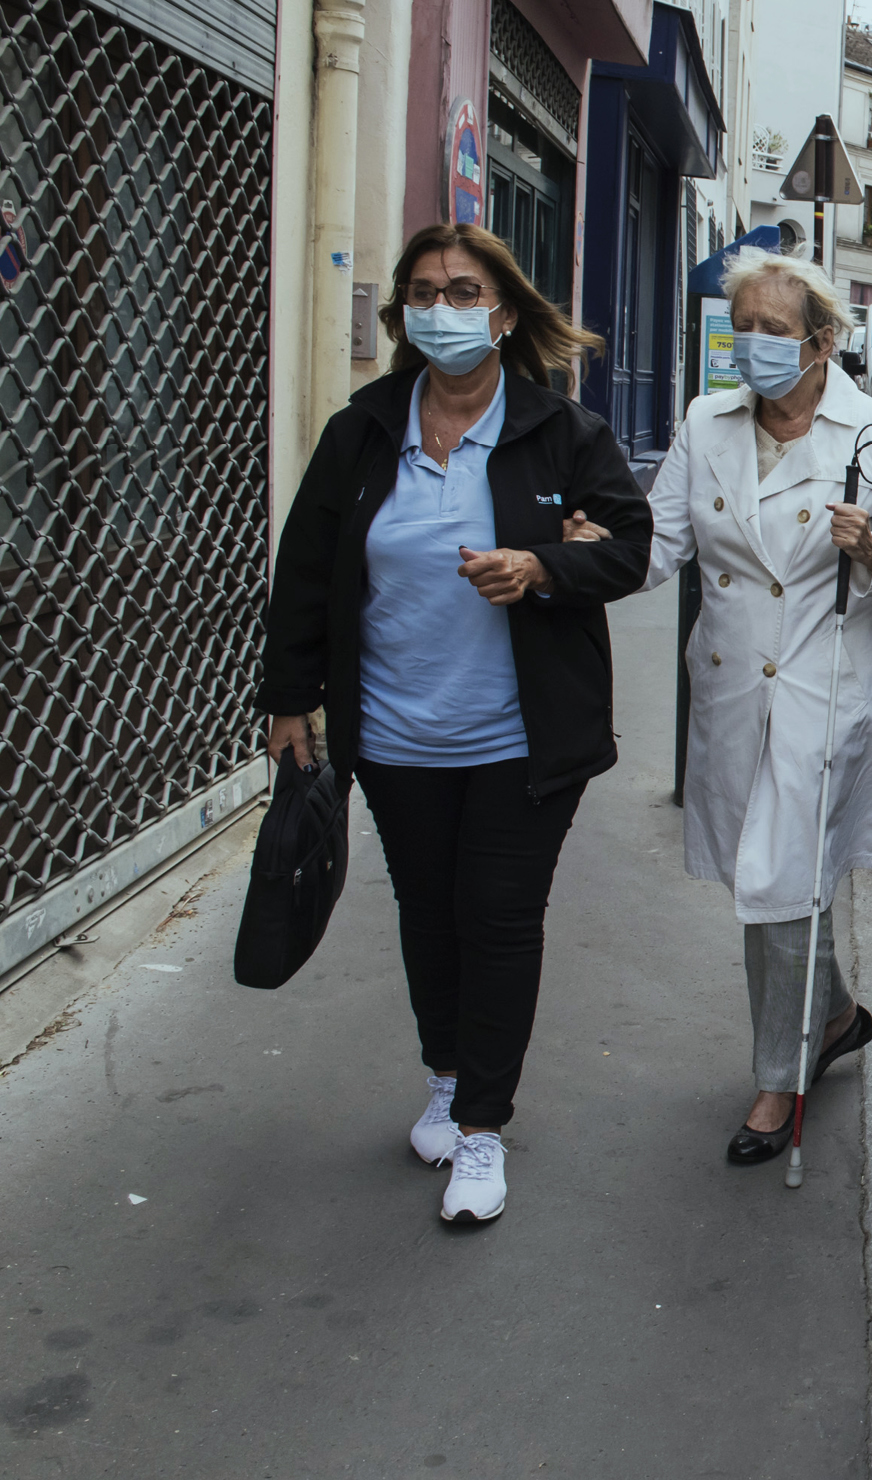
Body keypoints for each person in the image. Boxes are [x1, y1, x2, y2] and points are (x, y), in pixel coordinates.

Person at [257, 222, 653, 1225]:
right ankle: (446, 1074)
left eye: (464, 291)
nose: (443, 309)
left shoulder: (563, 434)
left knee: (500, 918)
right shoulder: (363, 431)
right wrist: (287, 699)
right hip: (393, 736)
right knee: (426, 914)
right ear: (402, 314)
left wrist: (543, 566)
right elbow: (308, 573)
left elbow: (632, 551)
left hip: (524, 740)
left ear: (505, 313)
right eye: (424, 293)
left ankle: (482, 1127)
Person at [568, 248, 872, 1164]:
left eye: (773, 330)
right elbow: (659, 543)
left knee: (779, 884)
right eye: (742, 327)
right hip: (737, 685)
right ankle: (840, 1015)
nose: (752, 345)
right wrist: (584, 553)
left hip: (827, 692)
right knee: (779, 879)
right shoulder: (708, 422)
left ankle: (779, 1080)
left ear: (821, 341)